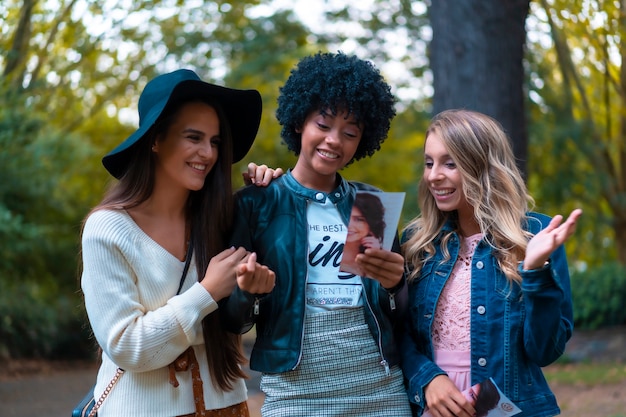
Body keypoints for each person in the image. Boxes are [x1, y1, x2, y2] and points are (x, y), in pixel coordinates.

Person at [221, 51, 412, 416]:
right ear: (299, 122)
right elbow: (232, 319)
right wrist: (247, 293)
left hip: (381, 392)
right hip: (295, 396)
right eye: (323, 125)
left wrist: (396, 285)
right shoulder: (257, 203)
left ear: (362, 140)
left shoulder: (370, 205)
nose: (334, 140)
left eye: (350, 132)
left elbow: (400, 316)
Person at [80, 68, 279, 417]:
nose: (208, 153)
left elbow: (247, 317)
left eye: (215, 142)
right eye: (194, 137)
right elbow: (125, 345)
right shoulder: (107, 228)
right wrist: (206, 292)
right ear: (155, 140)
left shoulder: (224, 218)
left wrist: (269, 199)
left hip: (228, 406)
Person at [400, 109, 582, 417]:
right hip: (433, 408)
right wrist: (427, 379)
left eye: (450, 163)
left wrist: (535, 270)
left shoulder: (535, 235)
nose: (433, 176)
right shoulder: (418, 242)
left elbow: (545, 351)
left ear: (480, 166)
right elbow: (397, 331)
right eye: (429, 163)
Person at [340, 192, 386, 276]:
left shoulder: (384, 254)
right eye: (345, 216)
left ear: (371, 224)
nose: (349, 225)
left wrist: (376, 256)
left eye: (359, 219)